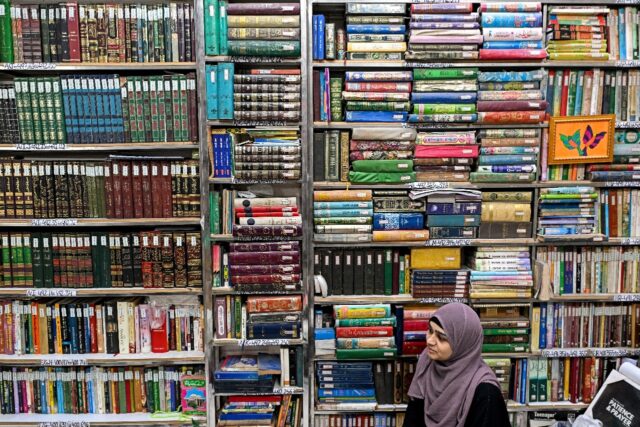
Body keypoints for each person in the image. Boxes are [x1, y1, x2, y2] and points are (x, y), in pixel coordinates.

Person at [403, 302, 511, 427]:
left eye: (442, 337)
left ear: (462, 343)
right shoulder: (426, 363)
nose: (430, 340)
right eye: (430, 331)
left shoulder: (486, 393)